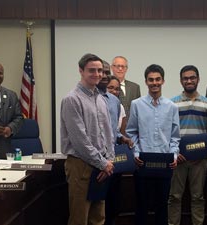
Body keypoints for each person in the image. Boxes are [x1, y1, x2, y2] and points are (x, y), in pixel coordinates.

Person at [61, 53, 116, 225]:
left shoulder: (100, 99)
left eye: (100, 70)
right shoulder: (72, 99)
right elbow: (80, 141)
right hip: (81, 165)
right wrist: (103, 163)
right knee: (80, 219)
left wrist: (109, 161)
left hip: (101, 166)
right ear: (81, 71)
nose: (97, 74)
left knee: (98, 218)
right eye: (92, 70)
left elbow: (108, 134)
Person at [126, 64, 180, 225]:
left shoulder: (172, 107)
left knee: (162, 207)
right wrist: (135, 154)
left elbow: (175, 137)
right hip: (142, 163)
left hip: (165, 164)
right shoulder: (137, 104)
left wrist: (174, 155)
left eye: (157, 79)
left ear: (163, 81)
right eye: (151, 80)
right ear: (146, 82)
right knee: (141, 206)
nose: (154, 83)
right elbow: (131, 132)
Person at [167, 65, 207, 225]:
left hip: (199, 160)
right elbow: (167, 131)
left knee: (198, 197)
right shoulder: (172, 103)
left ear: (198, 79)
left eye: (192, 77)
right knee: (174, 196)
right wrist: (174, 153)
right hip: (178, 159)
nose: (189, 80)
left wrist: (204, 152)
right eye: (185, 78)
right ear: (181, 81)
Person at [100, 60, 133, 225]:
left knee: (114, 201)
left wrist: (123, 138)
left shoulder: (116, 104)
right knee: (99, 205)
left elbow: (116, 132)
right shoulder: (95, 100)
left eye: (116, 88)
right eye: (110, 87)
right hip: (98, 161)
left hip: (115, 160)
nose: (113, 91)